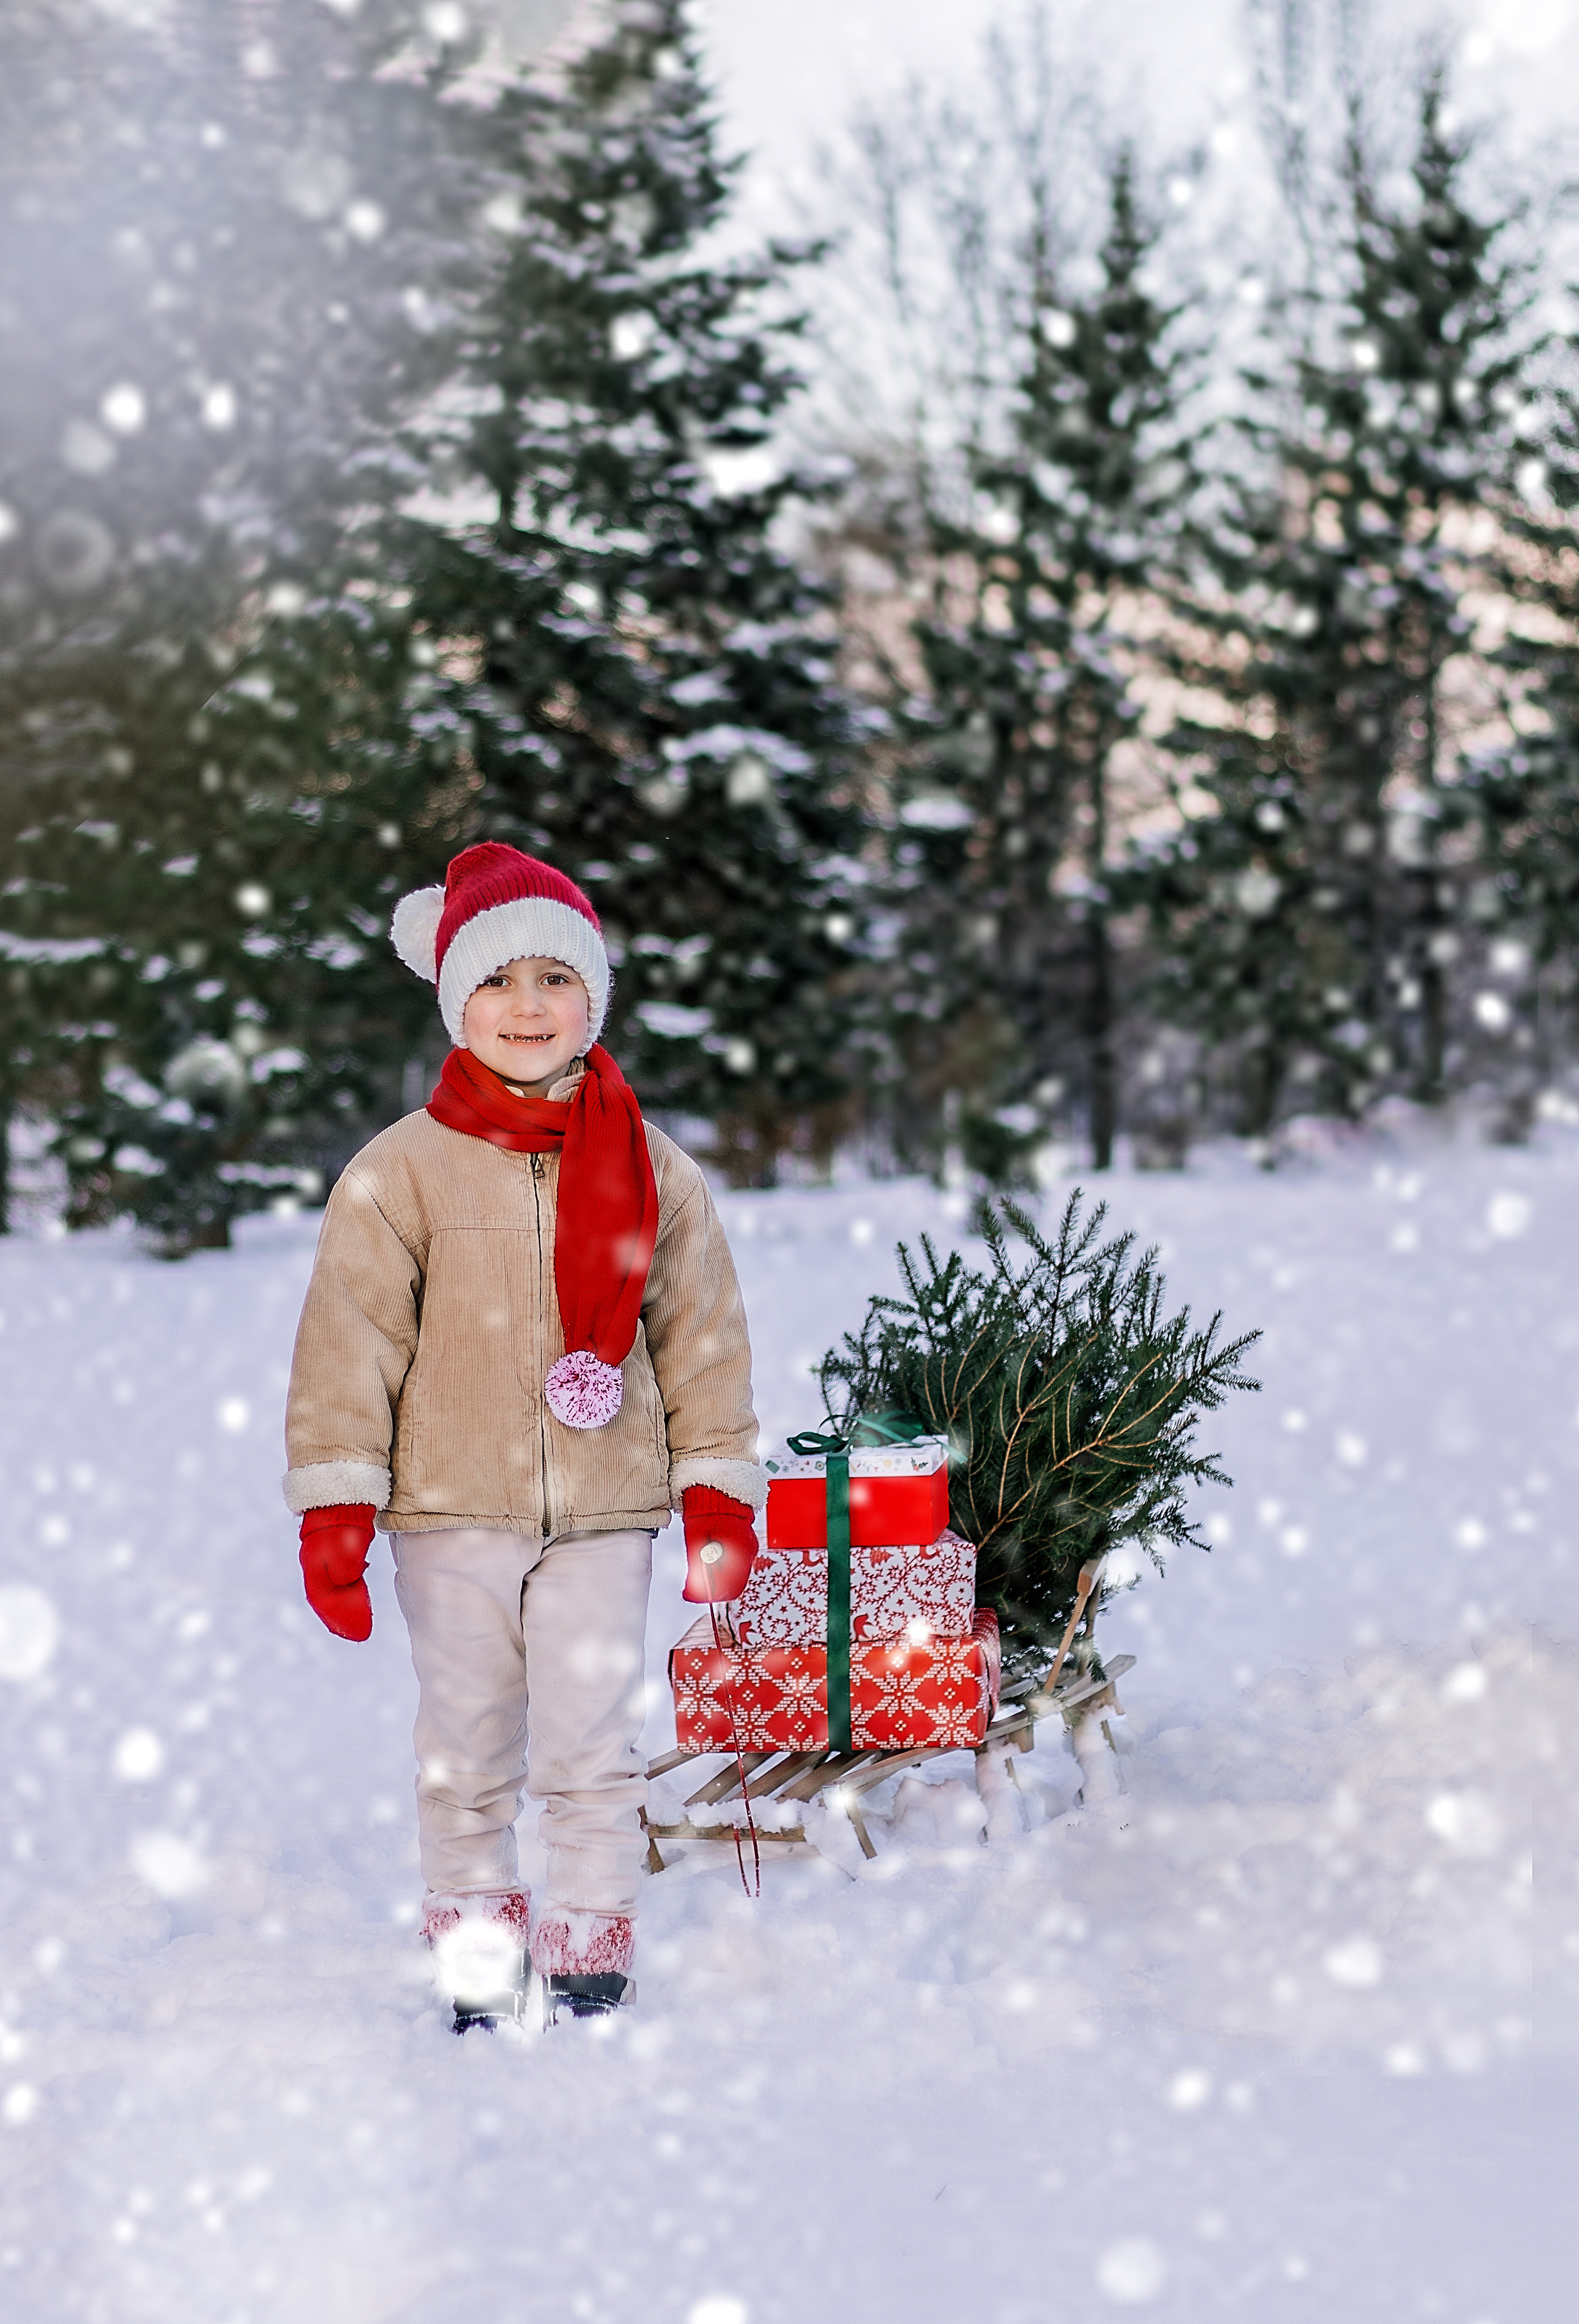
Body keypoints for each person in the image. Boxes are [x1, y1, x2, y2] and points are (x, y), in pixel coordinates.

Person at [281, 843, 763, 2030]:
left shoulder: (653, 1168)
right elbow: (351, 1344)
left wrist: (716, 1488)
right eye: (498, 982)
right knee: (468, 1748)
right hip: (451, 1511)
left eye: (555, 979)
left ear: (591, 998)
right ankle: (479, 1959)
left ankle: (592, 1952)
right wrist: (339, 1504)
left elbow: (701, 1335)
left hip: (605, 1509)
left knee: (591, 1748)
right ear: (456, 1002)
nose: (528, 1006)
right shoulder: (399, 1174)